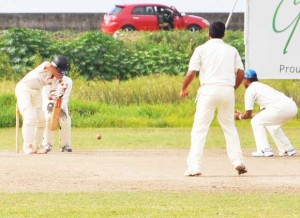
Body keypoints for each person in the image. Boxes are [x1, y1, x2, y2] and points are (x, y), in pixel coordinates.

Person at [180, 21, 247, 176]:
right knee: (229, 127)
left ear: (208, 33)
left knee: (200, 129)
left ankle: (194, 167)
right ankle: (238, 161)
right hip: (227, 91)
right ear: (224, 34)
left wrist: (183, 89)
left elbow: (191, 73)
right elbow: (241, 73)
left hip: (208, 90)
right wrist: (232, 88)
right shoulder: (232, 50)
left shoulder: (201, 49)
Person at [235, 68, 297, 157]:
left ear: (246, 80)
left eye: (243, 80)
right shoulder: (262, 86)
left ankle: (264, 150)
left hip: (280, 108)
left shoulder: (250, 90)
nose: (242, 82)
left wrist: (239, 116)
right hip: (292, 106)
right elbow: (264, 114)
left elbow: (248, 114)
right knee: (270, 124)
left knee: (255, 121)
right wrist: (243, 115)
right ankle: (287, 149)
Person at [15, 55, 69, 154]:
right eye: (60, 70)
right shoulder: (46, 66)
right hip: (24, 89)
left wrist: (59, 93)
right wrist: (58, 76)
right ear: (56, 67)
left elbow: (50, 95)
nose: (61, 74)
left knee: (41, 119)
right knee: (30, 116)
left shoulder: (56, 79)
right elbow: (48, 65)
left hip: (37, 91)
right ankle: (28, 146)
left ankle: (37, 146)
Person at [42, 75, 73, 152]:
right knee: (48, 118)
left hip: (62, 104)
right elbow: (46, 96)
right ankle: (47, 144)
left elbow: (65, 97)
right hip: (48, 104)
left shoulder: (68, 81)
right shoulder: (48, 79)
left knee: (65, 120)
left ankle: (65, 145)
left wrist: (59, 108)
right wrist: (51, 106)